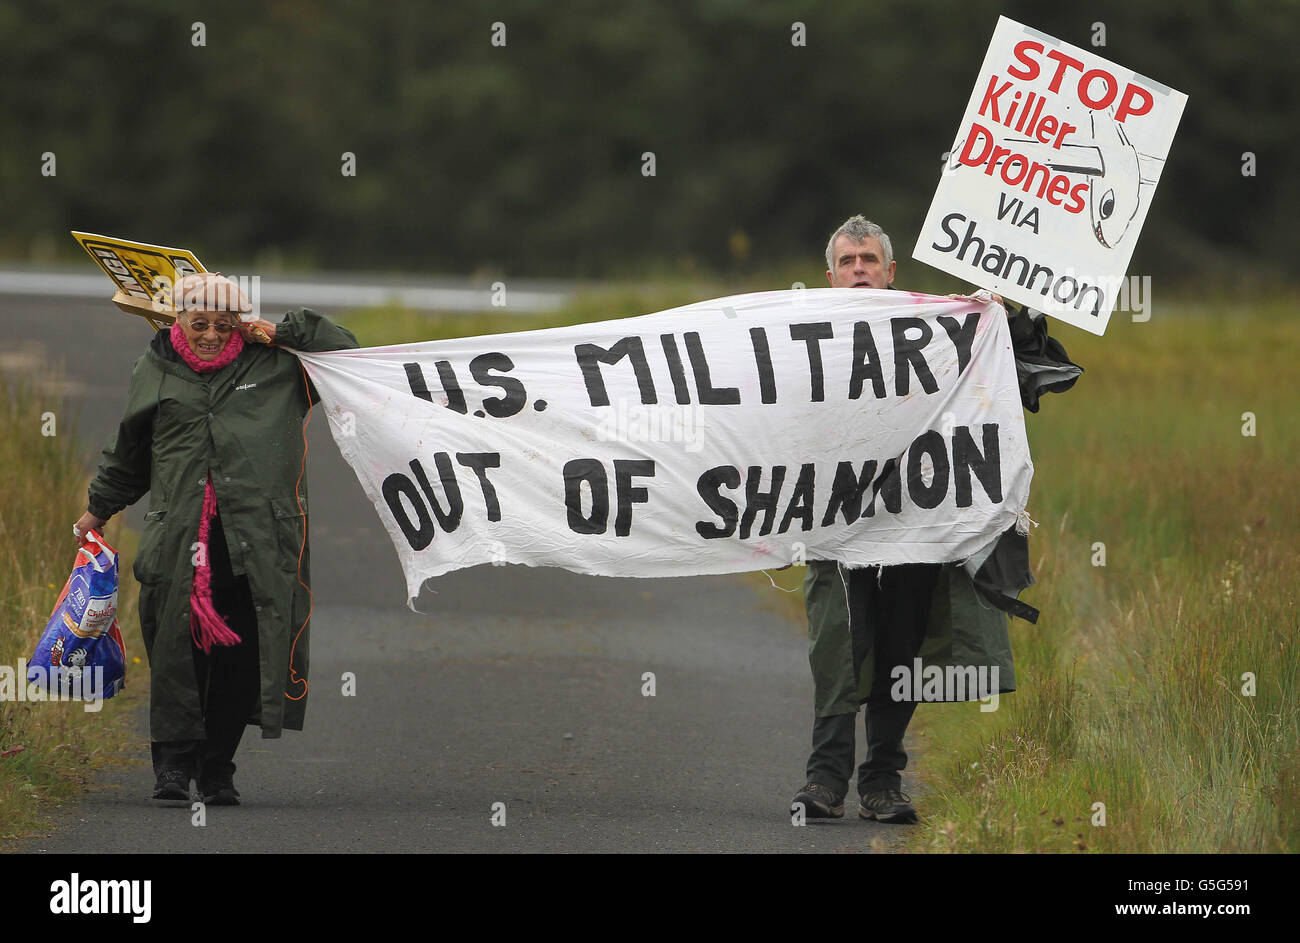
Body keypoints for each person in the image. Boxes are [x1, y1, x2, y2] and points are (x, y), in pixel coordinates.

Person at [791, 216, 1082, 823]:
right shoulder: (799, 334)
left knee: (902, 645)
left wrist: (1003, 317)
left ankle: (882, 782)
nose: (859, 271)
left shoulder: (935, 330)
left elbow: (1023, 368)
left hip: (916, 522)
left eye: (869, 260)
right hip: (834, 521)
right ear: (830, 276)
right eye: (847, 262)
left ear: (891, 272)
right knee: (839, 643)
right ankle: (824, 781)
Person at [74, 272, 359, 805]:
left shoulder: (280, 368)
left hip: (257, 542)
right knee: (175, 650)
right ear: (177, 318)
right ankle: (172, 768)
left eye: (223, 325)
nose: (209, 334)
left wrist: (282, 332)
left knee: (243, 656)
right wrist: (98, 509)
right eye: (198, 322)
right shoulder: (154, 367)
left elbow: (348, 354)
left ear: (241, 325)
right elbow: (130, 452)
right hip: (179, 538)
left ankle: (218, 766)